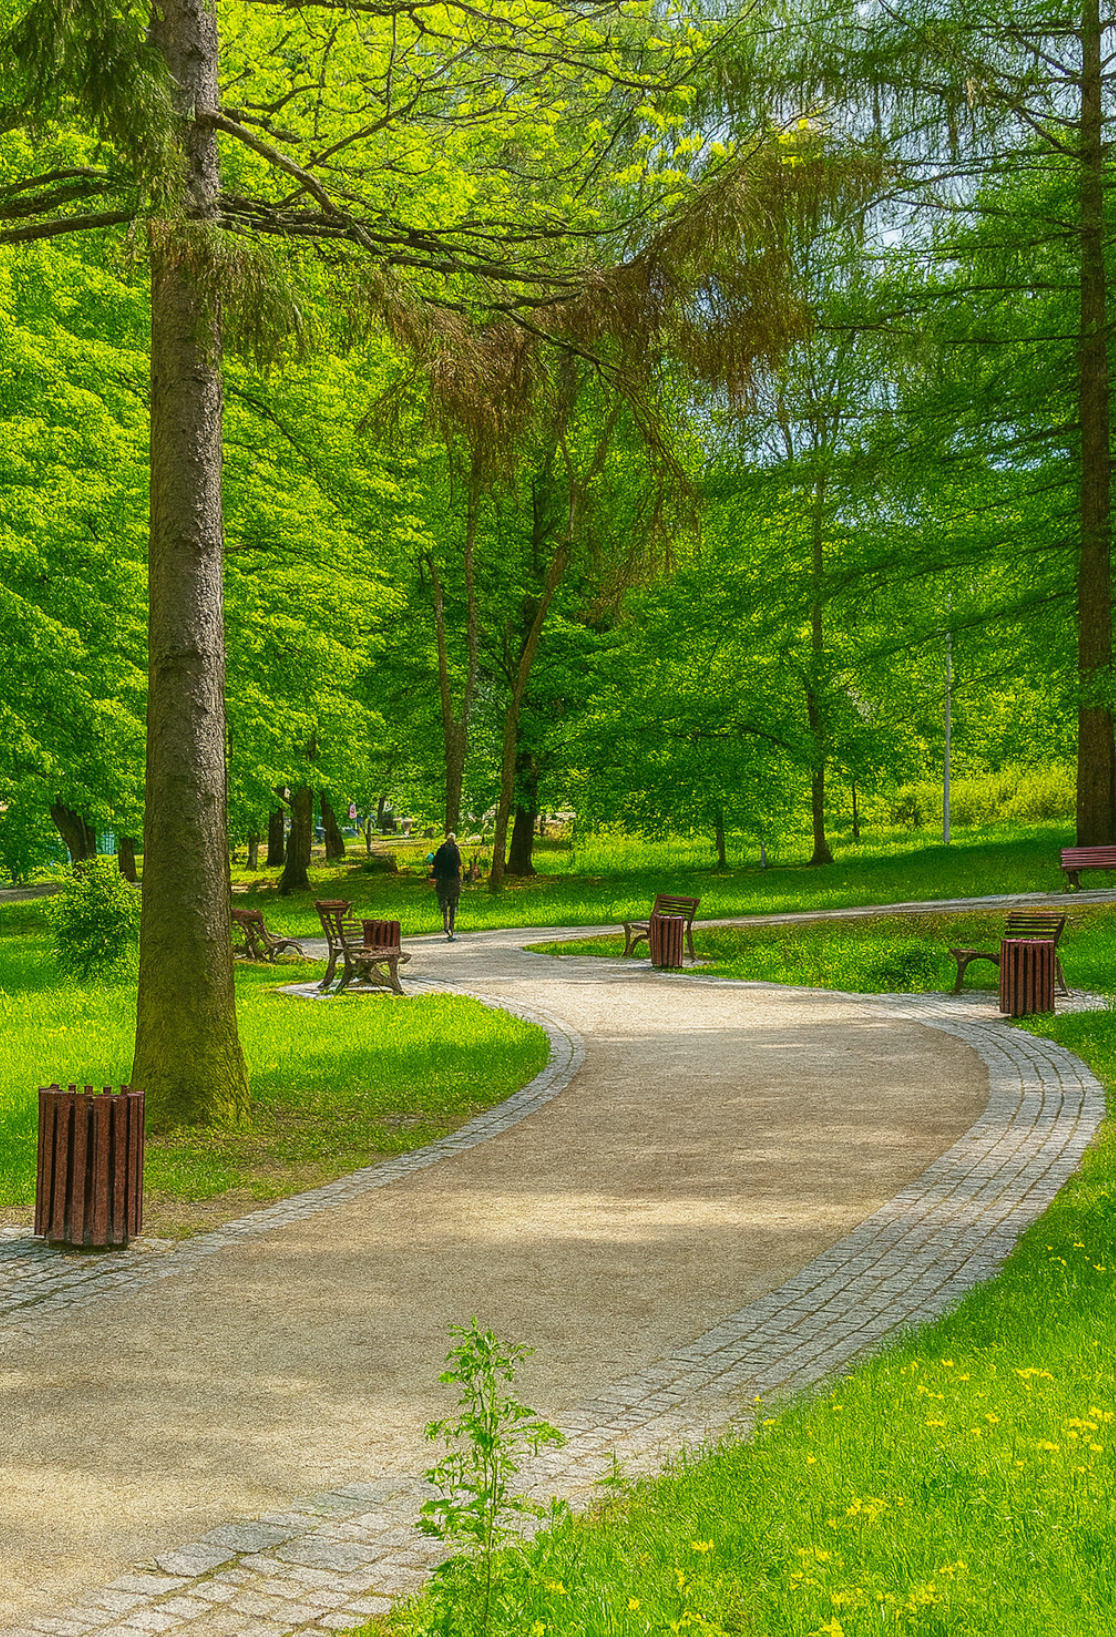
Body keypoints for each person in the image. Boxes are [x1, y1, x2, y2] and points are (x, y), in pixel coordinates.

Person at [431, 831, 463, 940]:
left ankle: (445, 923)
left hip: (442, 880)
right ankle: (451, 927)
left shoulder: (441, 850)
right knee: (453, 904)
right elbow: (458, 865)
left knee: (443, 902)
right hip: (453, 880)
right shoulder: (455, 850)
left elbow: (435, 863)